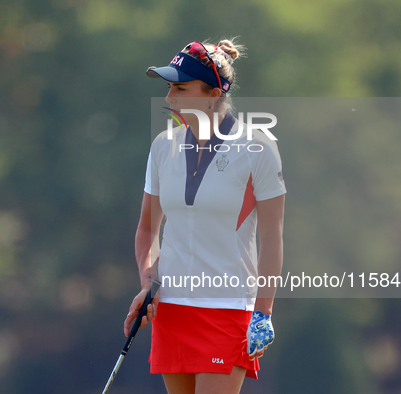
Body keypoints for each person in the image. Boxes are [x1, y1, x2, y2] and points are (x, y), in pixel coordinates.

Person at [123, 39, 286, 394]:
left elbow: (272, 237)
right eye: (169, 88)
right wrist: (148, 279)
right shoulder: (162, 147)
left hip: (228, 308)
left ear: (213, 93)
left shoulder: (257, 146)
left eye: (181, 88)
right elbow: (148, 227)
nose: (169, 98)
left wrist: (263, 312)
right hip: (172, 308)